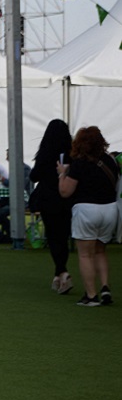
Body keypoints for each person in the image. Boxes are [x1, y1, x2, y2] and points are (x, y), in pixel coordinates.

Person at [58, 126, 119, 307]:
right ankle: (105, 287)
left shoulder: (79, 163)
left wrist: (62, 174)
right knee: (101, 250)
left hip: (86, 210)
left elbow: (65, 192)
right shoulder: (110, 161)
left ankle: (91, 296)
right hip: (110, 209)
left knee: (85, 255)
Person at [30, 119, 75, 294]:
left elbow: (34, 176)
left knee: (54, 236)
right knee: (62, 236)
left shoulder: (45, 154)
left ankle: (62, 272)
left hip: (49, 200)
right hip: (67, 198)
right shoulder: (72, 155)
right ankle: (59, 273)